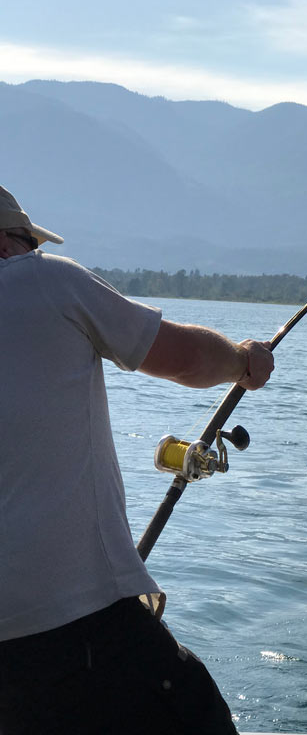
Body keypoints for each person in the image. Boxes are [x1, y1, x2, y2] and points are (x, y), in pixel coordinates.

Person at [0, 184, 275, 734]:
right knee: (199, 719)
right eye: (28, 243)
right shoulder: (46, 281)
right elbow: (187, 357)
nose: (33, 253)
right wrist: (242, 360)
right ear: (8, 244)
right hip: (74, 622)